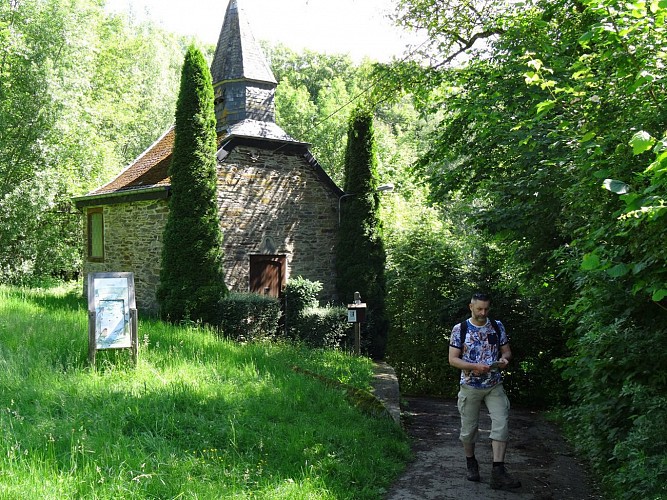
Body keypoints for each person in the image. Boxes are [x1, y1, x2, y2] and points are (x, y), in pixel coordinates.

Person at [448, 292, 521, 490]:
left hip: (494, 384)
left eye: (486, 309)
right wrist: (473, 366)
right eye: (479, 308)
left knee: (501, 422)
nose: (483, 312)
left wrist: (505, 359)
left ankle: (498, 471)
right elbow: (453, 359)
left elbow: (506, 350)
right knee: (469, 430)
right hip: (470, 386)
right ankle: (471, 463)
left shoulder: (497, 326)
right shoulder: (460, 329)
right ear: (470, 307)